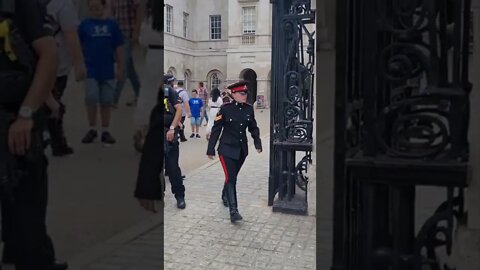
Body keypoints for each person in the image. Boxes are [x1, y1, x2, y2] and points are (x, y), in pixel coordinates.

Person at [0, 0, 68, 269]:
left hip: (16, 120)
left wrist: (27, 112)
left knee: (26, 208)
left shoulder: (19, 4)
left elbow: (48, 55)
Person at [206, 81, 263, 223]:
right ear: (234, 94)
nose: (245, 96)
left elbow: (253, 127)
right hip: (226, 149)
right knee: (232, 179)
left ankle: (225, 194)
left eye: (246, 94)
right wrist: (210, 148)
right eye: (242, 94)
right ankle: (233, 211)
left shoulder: (249, 109)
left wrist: (257, 142)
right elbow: (216, 129)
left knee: (231, 176)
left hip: (241, 150)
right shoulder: (225, 109)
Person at [78, 0, 124, 146]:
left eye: (97, 7)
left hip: (108, 69)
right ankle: (92, 128)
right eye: (91, 8)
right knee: (91, 97)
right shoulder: (84, 25)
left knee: (106, 100)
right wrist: (78, 65)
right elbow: (78, 46)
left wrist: (120, 67)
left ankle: (105, 130)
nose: (95, 10)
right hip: (90, 68)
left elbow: (119, 47)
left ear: (104, 7)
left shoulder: (112, 25)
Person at [136, 74, 186, 209]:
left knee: (173, 168)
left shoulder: (169, 91)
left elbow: (179, 110)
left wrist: (172, 128)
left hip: (168, 133)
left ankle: (180, 196)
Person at [45, 0, 87, 157]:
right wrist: (78, 64)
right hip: (57, 63)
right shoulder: (63, 5)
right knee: (53, 103)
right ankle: (57, 142)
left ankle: (54, 139)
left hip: (32, 60)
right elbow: (71, 35)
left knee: (47, 100)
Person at [110, 0, 144, 107]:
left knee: (123, 67)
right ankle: (139, 95)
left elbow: (139, 12)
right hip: (118, 36)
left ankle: (113, 99)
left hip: (128, 34)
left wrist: (137, 31)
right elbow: (112, 14)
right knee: (129, 68)